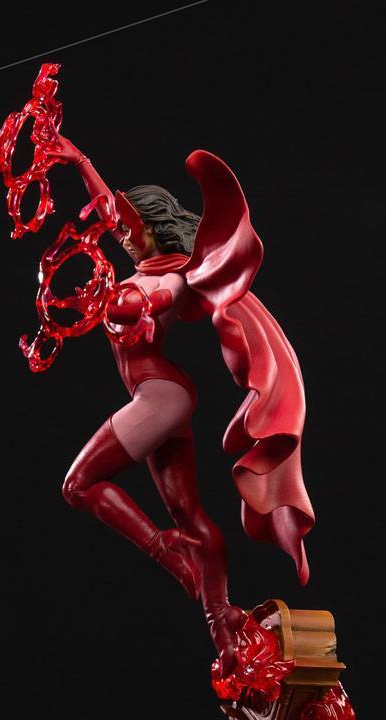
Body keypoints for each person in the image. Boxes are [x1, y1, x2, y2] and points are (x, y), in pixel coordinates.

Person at [55, 136, 314, 675]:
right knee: (189, 516)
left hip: (161, 397)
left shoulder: (171, 275)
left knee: (78, 485)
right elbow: (110, 212)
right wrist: (80, 161)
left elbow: (156, 298)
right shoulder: (145, 258)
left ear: (154, 230)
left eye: (133, 232)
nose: (124, 238)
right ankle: (222, 618)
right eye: (124, 232)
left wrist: (131, 303)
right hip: (159, 400)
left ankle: (166, 552)